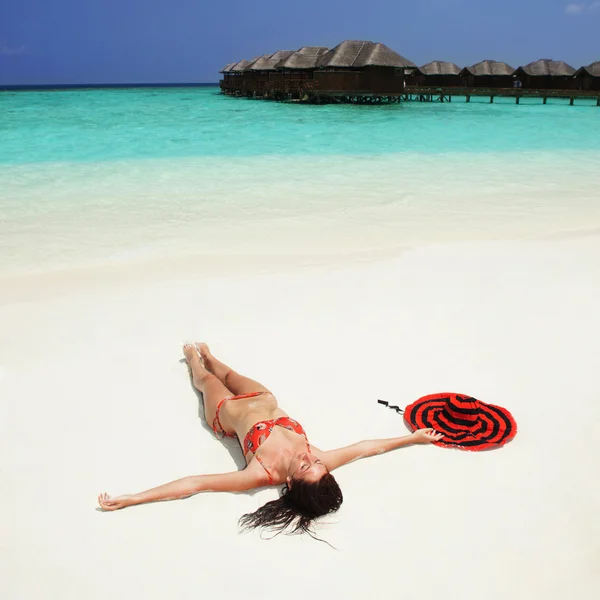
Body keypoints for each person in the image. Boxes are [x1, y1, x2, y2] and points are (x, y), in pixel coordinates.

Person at [98, 343, 442, 536]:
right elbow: (366, 449)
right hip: (263, 396)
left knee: (204, 378)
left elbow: (197, 483)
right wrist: (412, 439)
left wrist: (134, 498)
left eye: (308, 467)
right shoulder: (320, 461)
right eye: (318, 464)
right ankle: (211, 354)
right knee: (227, 370)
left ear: (290, 484)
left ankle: (194, 360)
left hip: (225, 410)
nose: (313, 459)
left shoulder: (262, 473)